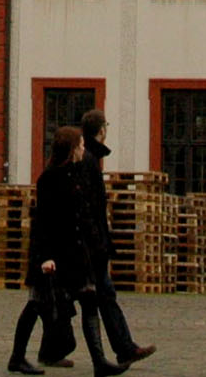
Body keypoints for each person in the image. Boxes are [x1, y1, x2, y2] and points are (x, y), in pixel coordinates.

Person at [8, 125, 124, 377]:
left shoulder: (76, 174)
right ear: (72, 150)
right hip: (53, 256)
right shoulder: (49, 179)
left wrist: (95, 246)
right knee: (36, 306)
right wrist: (46, 257)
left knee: (89, 301)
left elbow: (84, 216)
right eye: (81, 144)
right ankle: (17, 357)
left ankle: (99, 362)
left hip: (76, 255)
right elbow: (44, 221)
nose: (84, 148)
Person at [74, 110, 155, 366]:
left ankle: (121, 349)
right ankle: (122, 349)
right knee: (95, 297)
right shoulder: (89, 161)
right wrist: (97, 241)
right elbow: (88, 207)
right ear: (102, 130)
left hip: (91, 241)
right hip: (91, 243)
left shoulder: (89, 158)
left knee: (96, 297)